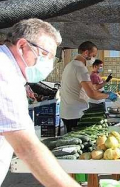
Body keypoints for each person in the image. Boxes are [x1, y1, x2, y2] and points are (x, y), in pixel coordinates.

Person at [0, 19, 79, 186]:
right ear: (22, 46)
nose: (48, 64)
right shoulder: (4, 74)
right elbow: (27, 148)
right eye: (45, 55)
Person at [60, 41, 117, 132]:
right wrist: (108, 95)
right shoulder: (80, 68)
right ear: (86, 53)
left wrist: (102, 92)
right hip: (76, 114)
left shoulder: (69, 65)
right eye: (93, 55)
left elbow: (88, 89)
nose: (93, 59)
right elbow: (92, 94)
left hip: (67, 112)